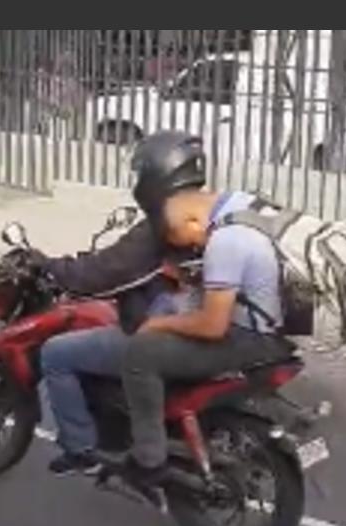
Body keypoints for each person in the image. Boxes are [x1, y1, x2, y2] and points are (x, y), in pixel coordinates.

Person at [119, 148, 295, 487]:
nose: (190, 247)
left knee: (140, 354)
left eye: (179, 238)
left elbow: (212, 326)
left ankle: (148, 459)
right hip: (276, 326)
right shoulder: (244, 204)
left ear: (192, 223)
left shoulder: (225, 242)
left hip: (250, 339)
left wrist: (157, 325)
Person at [36, 131, 204, 477]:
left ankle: (80, 448)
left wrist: (51, 268)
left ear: (159, 174)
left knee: (55, 354)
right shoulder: (202, 213)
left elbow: (105, 272)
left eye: (143, 173)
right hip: (202, 324)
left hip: (161, 334)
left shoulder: (158, 227)